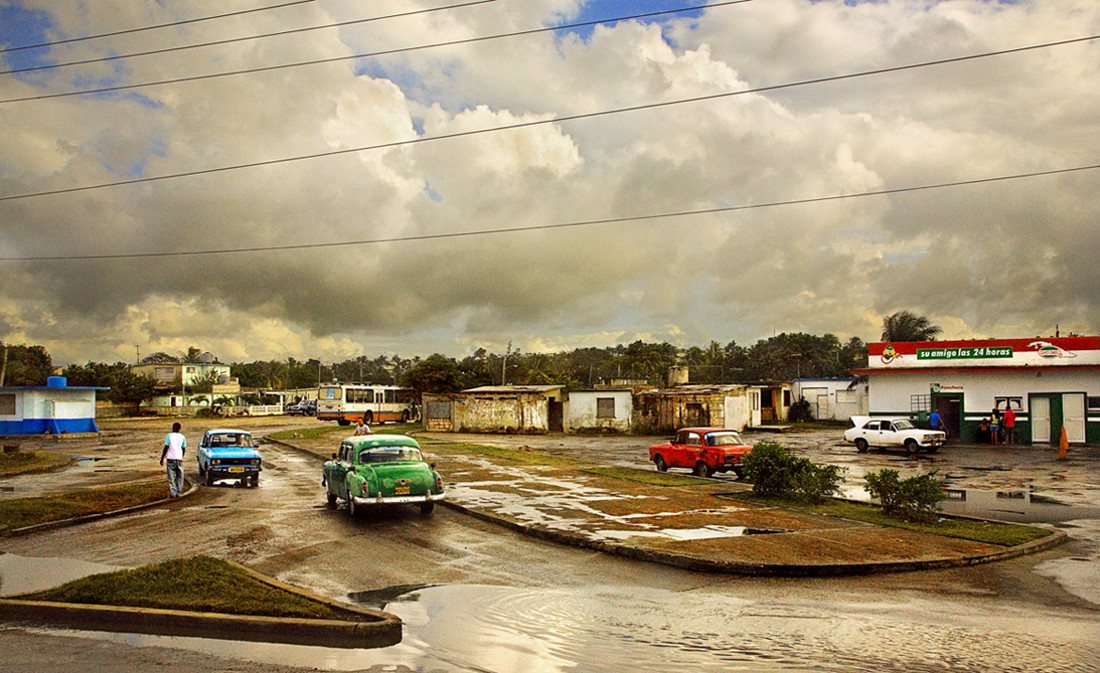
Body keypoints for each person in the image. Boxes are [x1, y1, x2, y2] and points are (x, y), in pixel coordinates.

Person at [160, 422, 187, 497]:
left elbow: (166, 447)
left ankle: (173, 492)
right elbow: (183, 448)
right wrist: (181, 456)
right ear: (179, 429)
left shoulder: (169, 436)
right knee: (179, 476)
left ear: (173, 428)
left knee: (171, 477)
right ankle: (179, 492)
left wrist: (162, 458)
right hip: (179, 458)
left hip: (171, 458)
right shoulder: (182, 437)